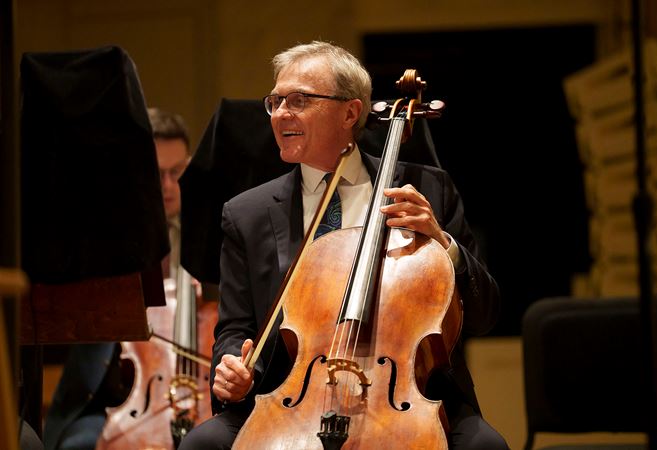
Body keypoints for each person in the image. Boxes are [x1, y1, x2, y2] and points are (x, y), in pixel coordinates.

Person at [179, 41, 508, 449]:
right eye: (276, 101)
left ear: (351, 112)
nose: (281, 114)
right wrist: (231, 365)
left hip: (406, 391)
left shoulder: (426, 189)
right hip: (290, 396)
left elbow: (484, 315)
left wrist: (444, 243)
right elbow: (235, 329)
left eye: (298, 100)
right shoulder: (247, 214)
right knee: (203, 443)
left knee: (485, 446)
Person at [43, 108, 191, 450]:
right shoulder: (105, 235)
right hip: (111, 393)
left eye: (177, 172)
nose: (168, 187)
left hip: (189, 387)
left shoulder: (213, 232)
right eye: (157, 174)